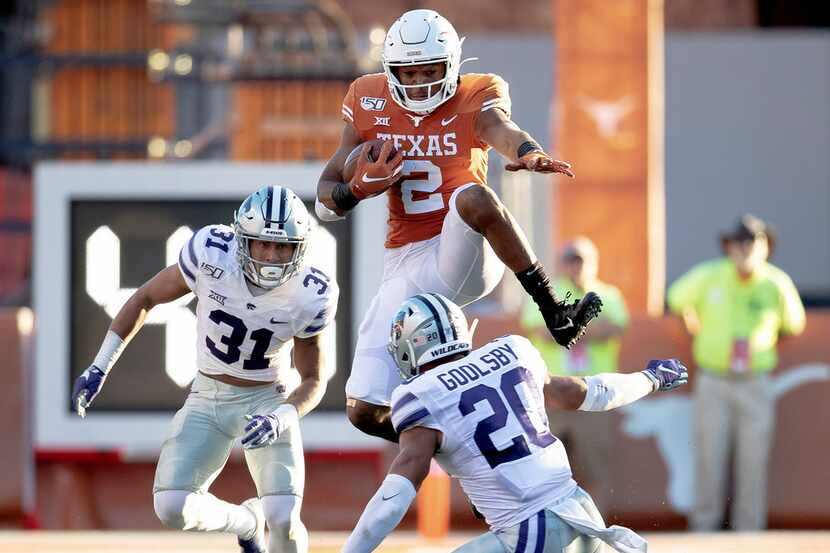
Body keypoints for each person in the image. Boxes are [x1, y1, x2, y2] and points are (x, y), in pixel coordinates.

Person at [315, 8, 601, 441]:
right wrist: (355, 190)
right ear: (390, 71)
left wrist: (525, 151)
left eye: (429, 70)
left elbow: (499, 127)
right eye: (407, 74)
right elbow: (325, 202)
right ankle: (457, 439)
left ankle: (553, 309)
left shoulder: (476, 93)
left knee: (471, 196)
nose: (418, 83)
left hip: (463, 249)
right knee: (364, 412)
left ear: (451, 65)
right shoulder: (367, 97)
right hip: (406, 262)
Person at [70, 185, 339, 553]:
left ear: (300, 249)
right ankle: (246, 522)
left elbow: (313, 378)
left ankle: (265, 520)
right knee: (171, 506)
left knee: (284, 519)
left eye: (283, 247)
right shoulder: (212, 252)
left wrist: (282, 416)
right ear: (243, 239)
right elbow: (145, 297)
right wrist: (100, 365)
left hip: (266, 399)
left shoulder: (312, 292)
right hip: (208, 395)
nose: (272, 256)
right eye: (263, 243)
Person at [340, 292, 687, 553]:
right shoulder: (512, 351)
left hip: (531, 531)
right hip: (583, 516)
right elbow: (588, 392)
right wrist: (649, 378)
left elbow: (395, 495)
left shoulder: (420, 393)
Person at [667, 213, 805, 531]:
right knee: (708, 456)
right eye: (738, 241)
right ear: (728, 247)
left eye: (751, 241)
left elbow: (793, 325)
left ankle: (749, 533)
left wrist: (762, 347)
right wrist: (696, 331)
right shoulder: (709, 275)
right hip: (714, 379)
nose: (744, 248)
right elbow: (676, 300)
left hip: (755, 381)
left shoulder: (776, 283)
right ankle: (704, 530)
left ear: (765, 247)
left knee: (753, 460)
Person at [521, 236, 628, 510]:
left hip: (594, 395)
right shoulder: (548, 291)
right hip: (553, 394)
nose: (575, 267)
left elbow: (613, 329)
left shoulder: (609, 293)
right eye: (570, 260)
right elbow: (539, 331)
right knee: (548, 471)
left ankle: (594, 533)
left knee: (595, 471)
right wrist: (587, 327)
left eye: (580, 260)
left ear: (593, 263)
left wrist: (567, 327)